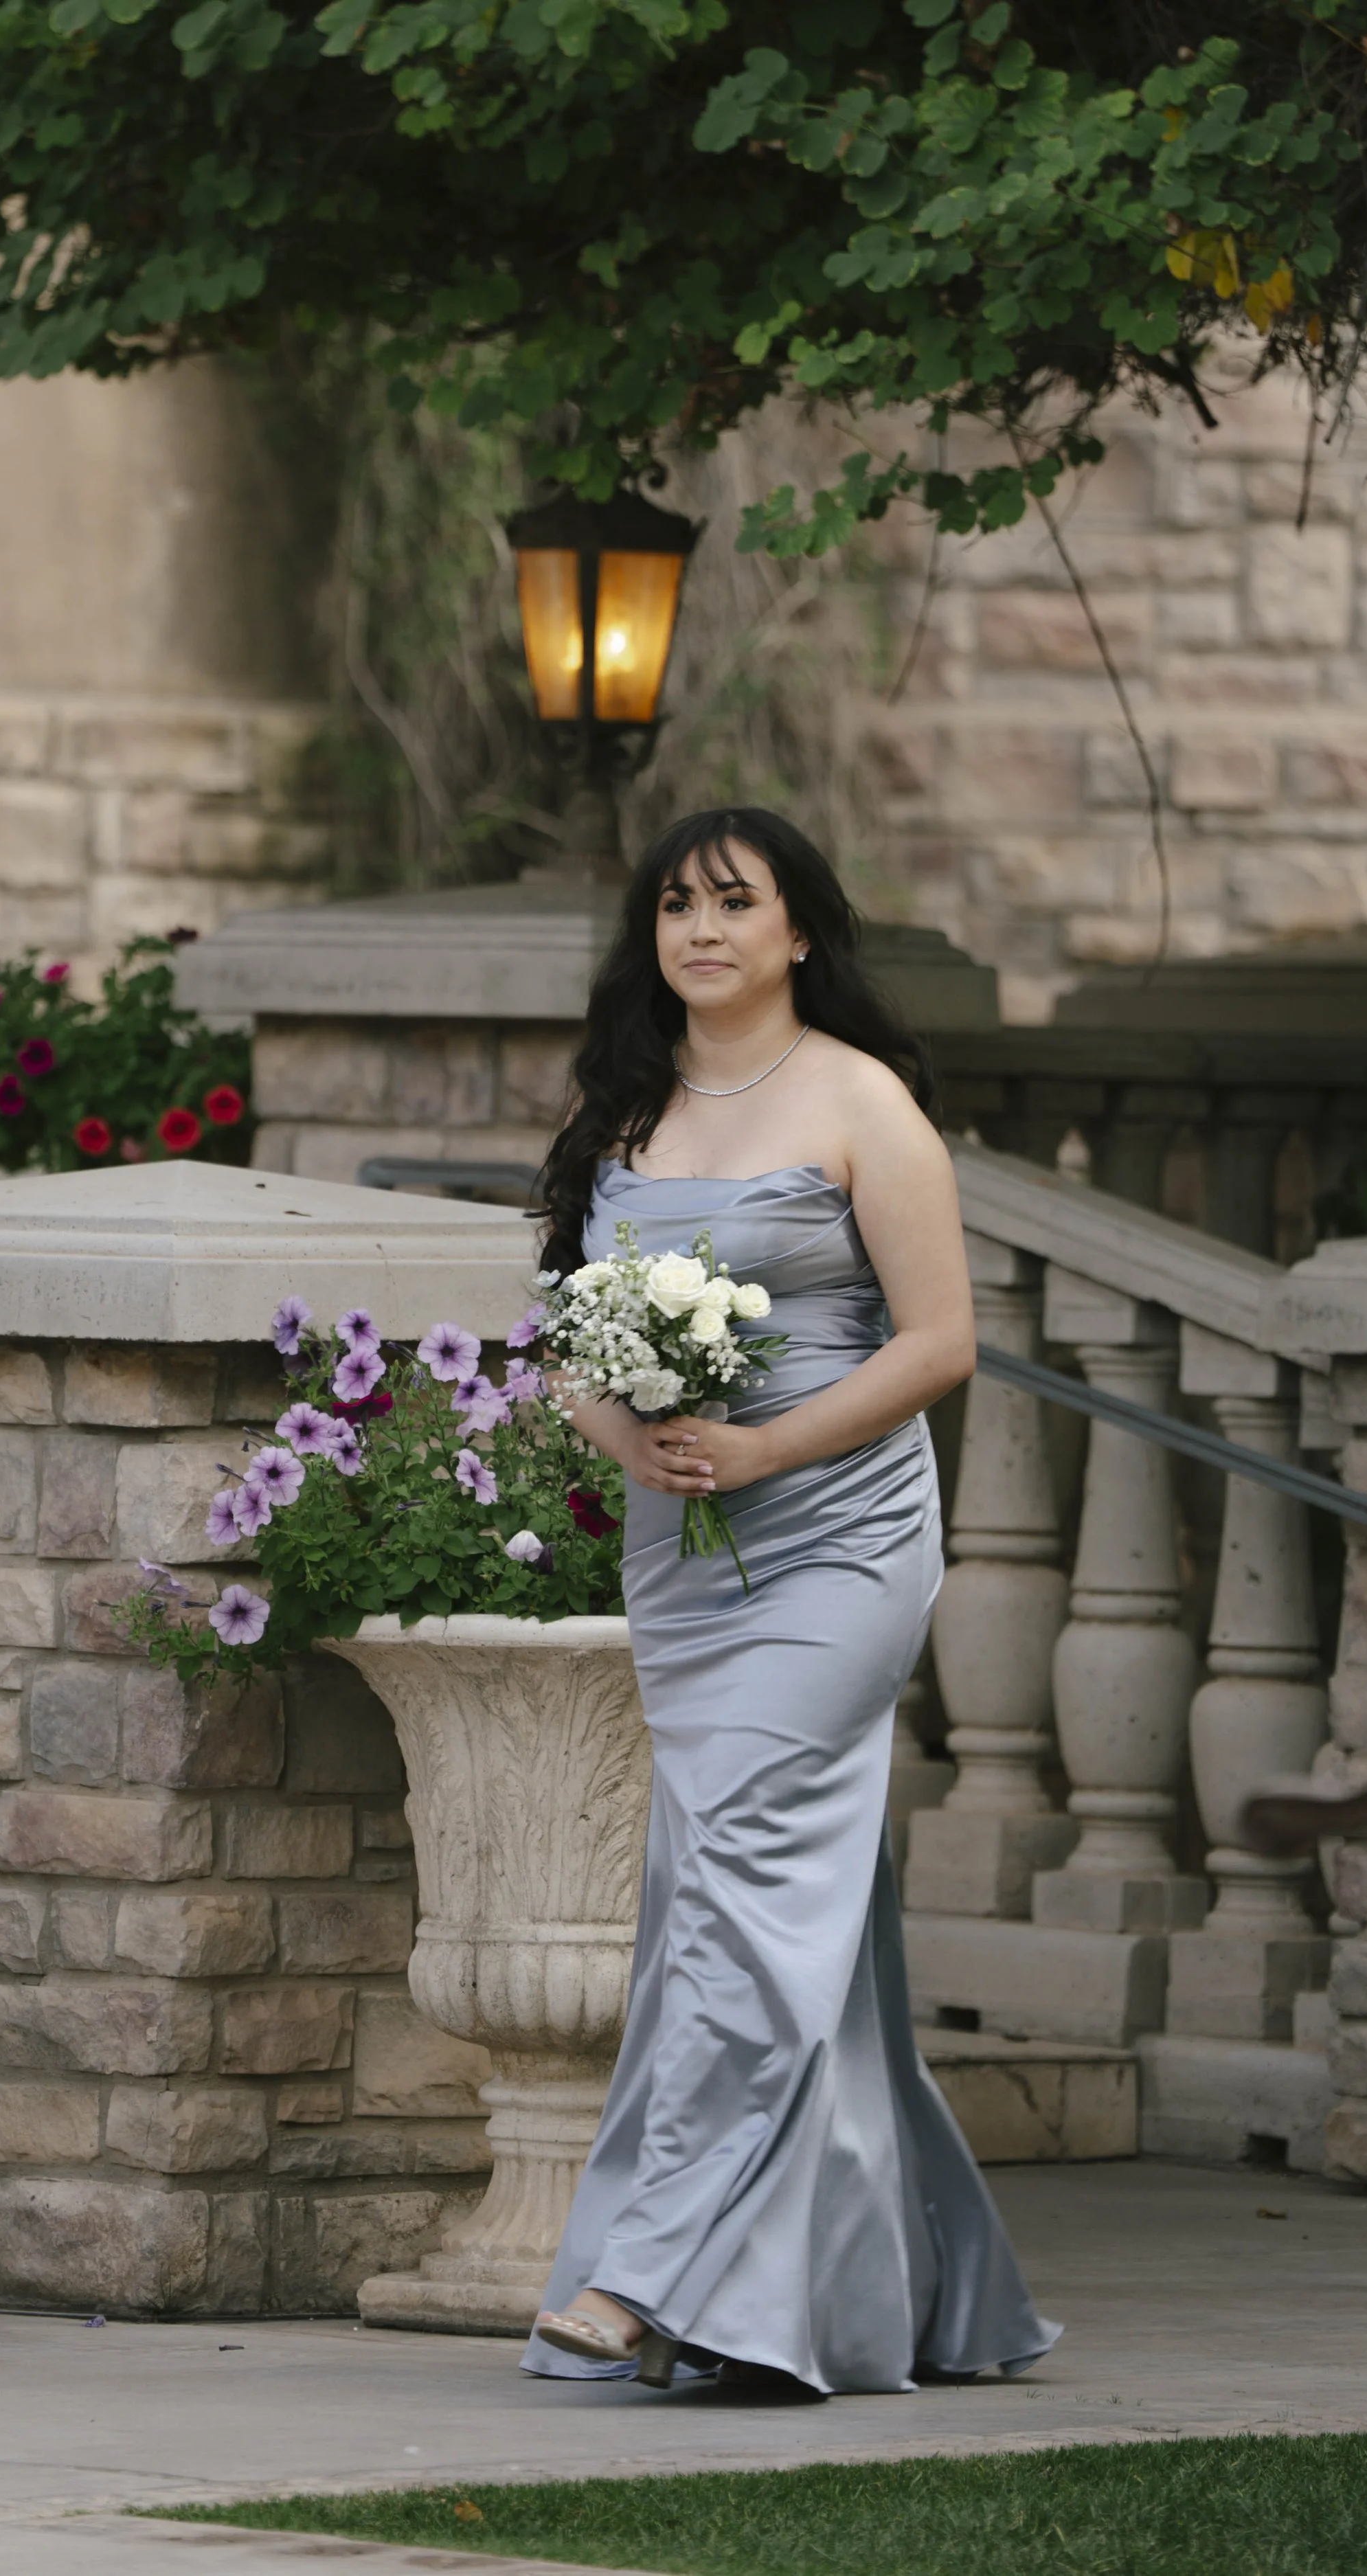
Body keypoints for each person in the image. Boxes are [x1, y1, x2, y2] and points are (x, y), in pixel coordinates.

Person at [523, 806, 1059, 2397]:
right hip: (684, 1556)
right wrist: (634, 1431)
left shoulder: (859, 1101)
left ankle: (650, 2272)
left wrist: (758, 1445)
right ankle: (883, 2289)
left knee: (740, 1879)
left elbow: (935, 1344)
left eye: (734, 903)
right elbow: (564, 1335)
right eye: (677, 903)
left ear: (798, 931)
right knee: (754, 1901)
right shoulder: (626, 1110)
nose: (701, 928)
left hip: (837, 1544)